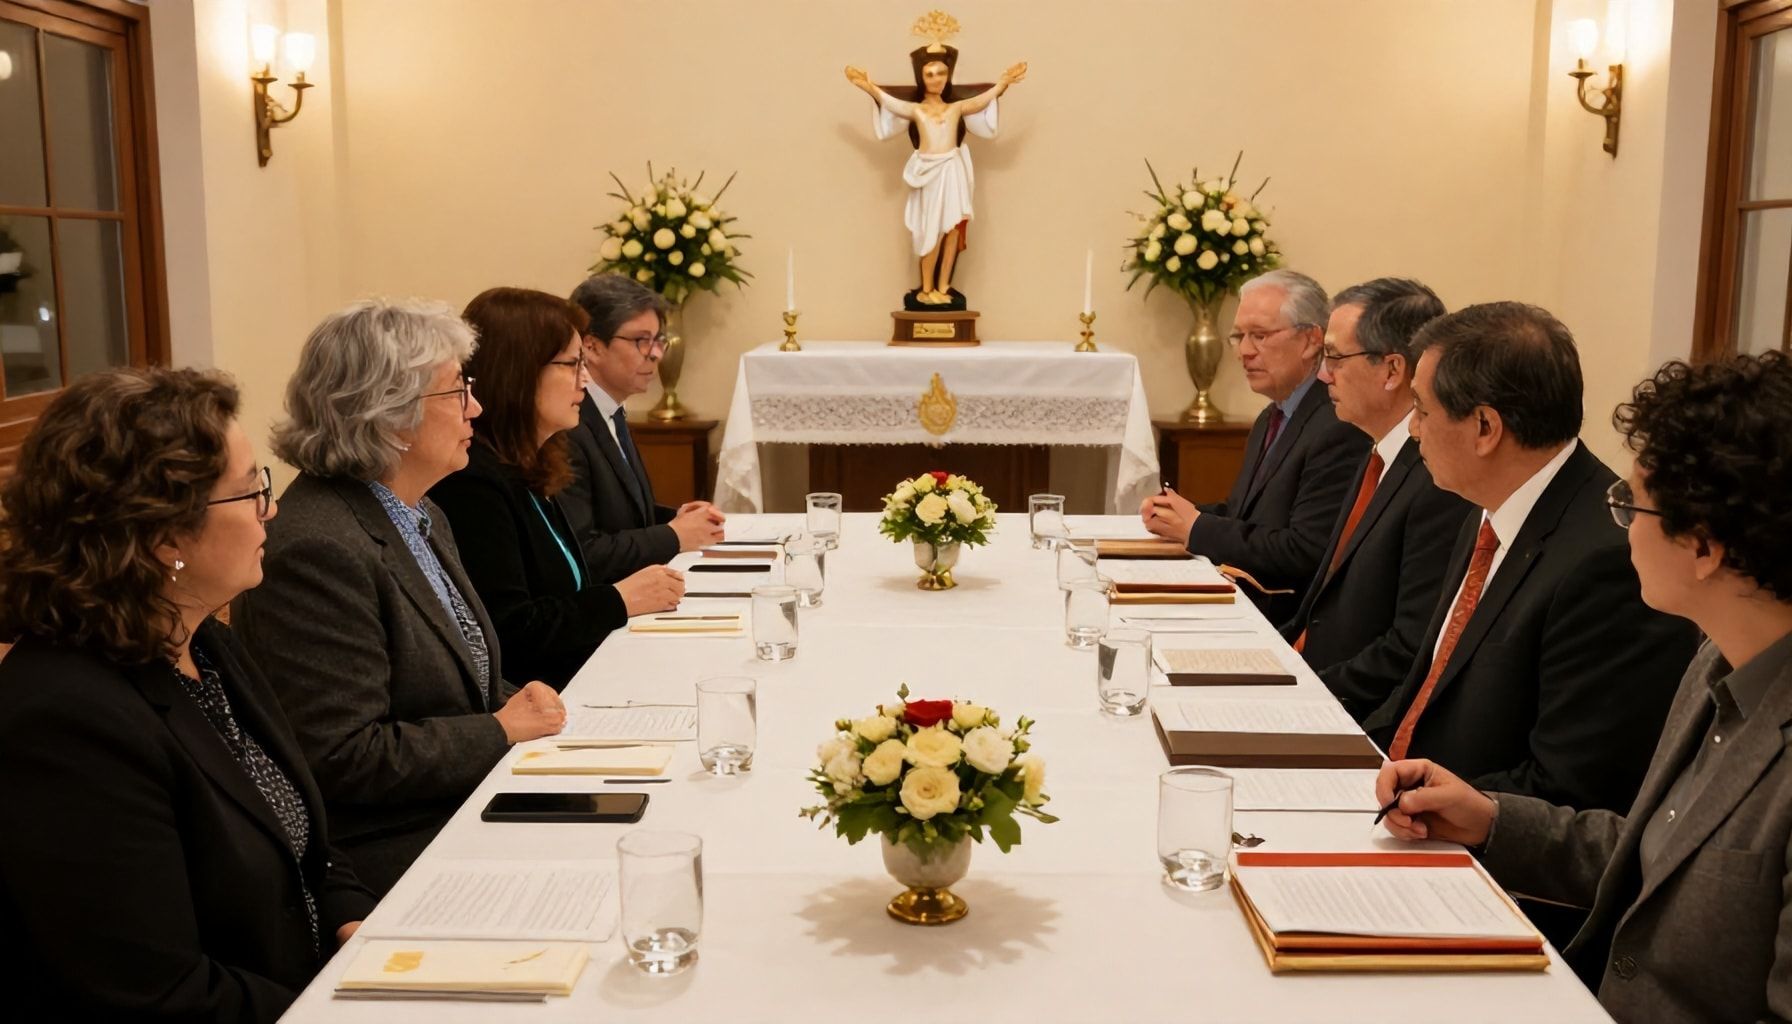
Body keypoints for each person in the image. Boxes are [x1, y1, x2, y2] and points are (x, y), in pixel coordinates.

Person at [1376, 351, 1792, 1024]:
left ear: (1705, 548)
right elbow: (1655, 854)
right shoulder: (1717, 662)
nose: (1619, 525)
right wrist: (1489, 818)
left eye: (1633, 506)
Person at [0, 367, 373, 1021]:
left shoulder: (202, 642)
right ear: (164, 537)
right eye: (251, 491)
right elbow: (154, 991)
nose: (273, 509)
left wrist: (354, 926)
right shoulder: (63, 721)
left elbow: (306, 843)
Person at [233, 299, 568, 896]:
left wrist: (524, 701)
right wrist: (500, 728)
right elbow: (342, 756)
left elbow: (460, 679)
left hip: (461, 803)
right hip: (394, 848)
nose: (477, 407)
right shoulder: (319, 547)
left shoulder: (420, 509)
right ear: (388, 416)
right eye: (456, 391)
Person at [1360, 302, 1698, 811]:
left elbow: (1575, 790)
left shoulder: (1606, 562)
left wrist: (1417, 805)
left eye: (1422, 410)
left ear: (1485, 428)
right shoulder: (1491, 505)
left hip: (1485, 857)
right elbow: (1422, 695)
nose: (1412, 429)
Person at [429, 287, 683, 689]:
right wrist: (619, 600)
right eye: (571, 364)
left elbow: (568, 584)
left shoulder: (534, 460)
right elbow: (510, 631)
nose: (584, 379)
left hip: (578, 672)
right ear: (520, 372)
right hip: (541, 695)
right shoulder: (473, 481)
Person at [1279, 278, 1473, 720]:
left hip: (1349, 710)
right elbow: (1322, 602)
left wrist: (1301, 692)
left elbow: (1409, 645)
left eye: (1334, 357)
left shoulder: (1435, 479)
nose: (1323, 374)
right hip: (1310, 678)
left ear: (1391, 370)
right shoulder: (1377, 451)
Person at [1140, 269, 1367, 624]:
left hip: (1282, 617)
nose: (1244, 351)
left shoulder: (1337, 425)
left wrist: (1197, 527)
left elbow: (1305, 551)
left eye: (1260, 335)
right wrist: (1178, 514)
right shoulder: (1272, 415)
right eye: (1238, 336)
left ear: (1310, 340)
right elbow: (1246, 513)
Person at [562, 273, 725, 581]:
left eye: (658, 340)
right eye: (641, 340)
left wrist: (676, 521)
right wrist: (673, 535)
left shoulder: (612, 410)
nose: (655, 354)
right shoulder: (569, 423)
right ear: (592, 347)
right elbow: (583, 550)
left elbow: (624, 517)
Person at [845, 42, 1026, 306]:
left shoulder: (955, 109)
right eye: (929, 74)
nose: (935, 79)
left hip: (952, 170)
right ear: (922, 77)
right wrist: (868, 86)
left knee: (953, 228)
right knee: (930, 229)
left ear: (947, 76)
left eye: (941, 73)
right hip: (928, 172)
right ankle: (926, 289)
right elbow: (892, 103)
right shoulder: (917, 109)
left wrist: (1003, 83)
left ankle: (943, 286)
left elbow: (979, 101)